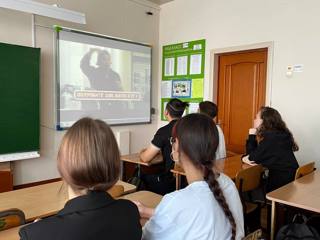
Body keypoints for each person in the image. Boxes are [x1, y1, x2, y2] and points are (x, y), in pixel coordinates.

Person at [19, 118, 142, 240]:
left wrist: (40, 231)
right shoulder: (130, 212)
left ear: (62, 166)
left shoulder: (35, 234)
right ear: (114, 165)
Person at [136, 113, 244, 240]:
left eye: (173, 141)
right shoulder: (228, 183)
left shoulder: (176, 200)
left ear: (178, 147)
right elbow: (193, 215)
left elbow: (146, 237)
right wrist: (150, 213)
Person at [242, 106, 299, 192]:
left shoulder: (271, 138)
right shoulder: (282, 134)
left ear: (264, 121)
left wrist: (251, 135)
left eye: (256, 117)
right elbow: (258, 154)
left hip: (281, 183)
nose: (254, 120)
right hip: (290, 176)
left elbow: (251, 158)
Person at [140, 98, 189, 195]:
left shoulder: (164, 131)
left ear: (166, 112)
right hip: (188, 180)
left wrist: (141, 152)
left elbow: (145, 158)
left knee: (142, 175)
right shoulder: (190, 129)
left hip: (171, 182)